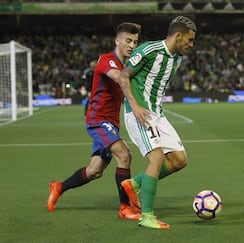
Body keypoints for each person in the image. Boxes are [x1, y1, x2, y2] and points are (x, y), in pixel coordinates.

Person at [47, 22, 149, 220]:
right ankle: (125, 208)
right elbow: (121, 79)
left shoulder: (127, 66)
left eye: (135, 42)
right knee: (124, 155)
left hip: (111, 124)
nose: (132, 45)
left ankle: (59, 187)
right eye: (128, 40)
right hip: (98, 120)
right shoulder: (107, 60)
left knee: (94, 171)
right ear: (117, 40)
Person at [118, 16, 197, 229]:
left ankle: (133, 184)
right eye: (189, 40)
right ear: (178, 36)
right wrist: (134, 106)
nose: (191, 45)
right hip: (139, 112)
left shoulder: (177, 58)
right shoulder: (149, 50)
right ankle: (147, 216)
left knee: (180, 160)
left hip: (158, 114)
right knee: (157, 157)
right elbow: (124, 76)